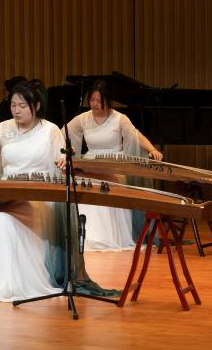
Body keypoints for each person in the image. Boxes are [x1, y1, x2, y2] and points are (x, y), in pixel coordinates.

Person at [0, 79, 117, 302]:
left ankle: (18, 282)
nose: (16, 110)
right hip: (8, 191)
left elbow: (62, 158)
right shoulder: (4, 128)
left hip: (38, 194)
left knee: (4, 219)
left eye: (22, 106)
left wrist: (64, 161)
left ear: (36, 106)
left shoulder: (50, 130)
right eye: (13, 105)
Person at [65, 79, 163, 251]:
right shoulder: (83, 118)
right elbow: (63, 133)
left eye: (99, 100)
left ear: (107, 100)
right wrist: (67, 147)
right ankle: (87, 235)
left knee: (107, 183)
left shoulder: (119, 119)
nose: (94, 104)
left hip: (114, 164)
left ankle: (109, 236)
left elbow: (136, 136)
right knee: (80, 182)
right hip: (91, 163)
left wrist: (152, 149)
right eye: (92, 100)